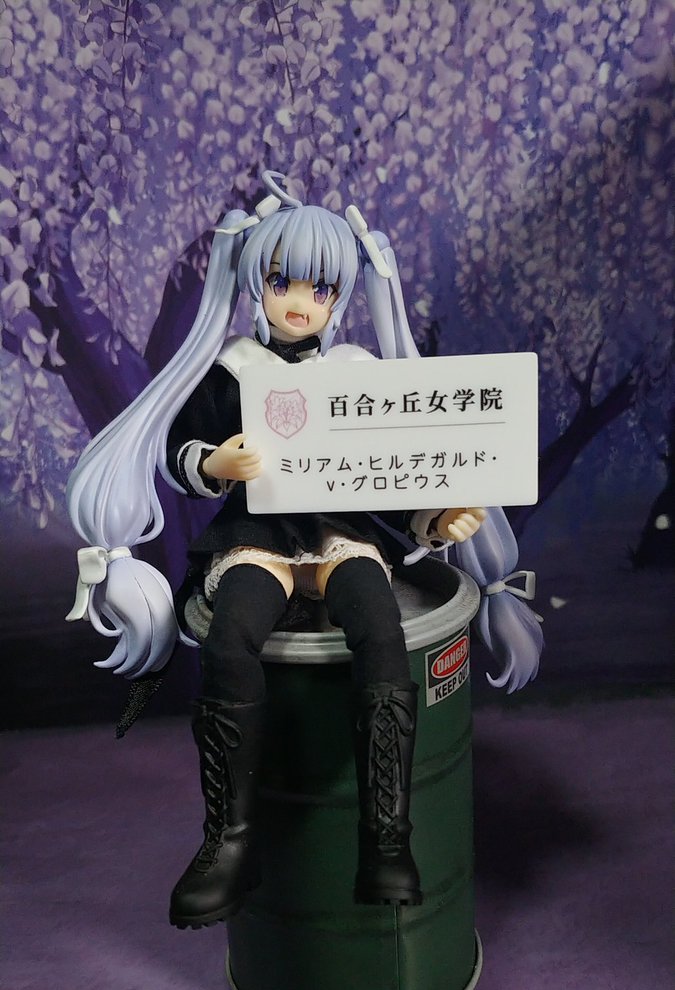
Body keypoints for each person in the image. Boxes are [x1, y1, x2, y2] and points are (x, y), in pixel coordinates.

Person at [66, 171, 543, 929]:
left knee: (379, 630)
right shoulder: (232, 368)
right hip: (256, 537)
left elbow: (389, 473)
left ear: (339, 298)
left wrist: (436, 515)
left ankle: (385, 838)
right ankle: (231, 841)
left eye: (319, 289)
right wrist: (215, 462)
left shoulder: (354, 374)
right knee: (231, 637)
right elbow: (182, 448)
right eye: (282, 281)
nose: (299, 301)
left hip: (343, 534)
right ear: (256, 283)